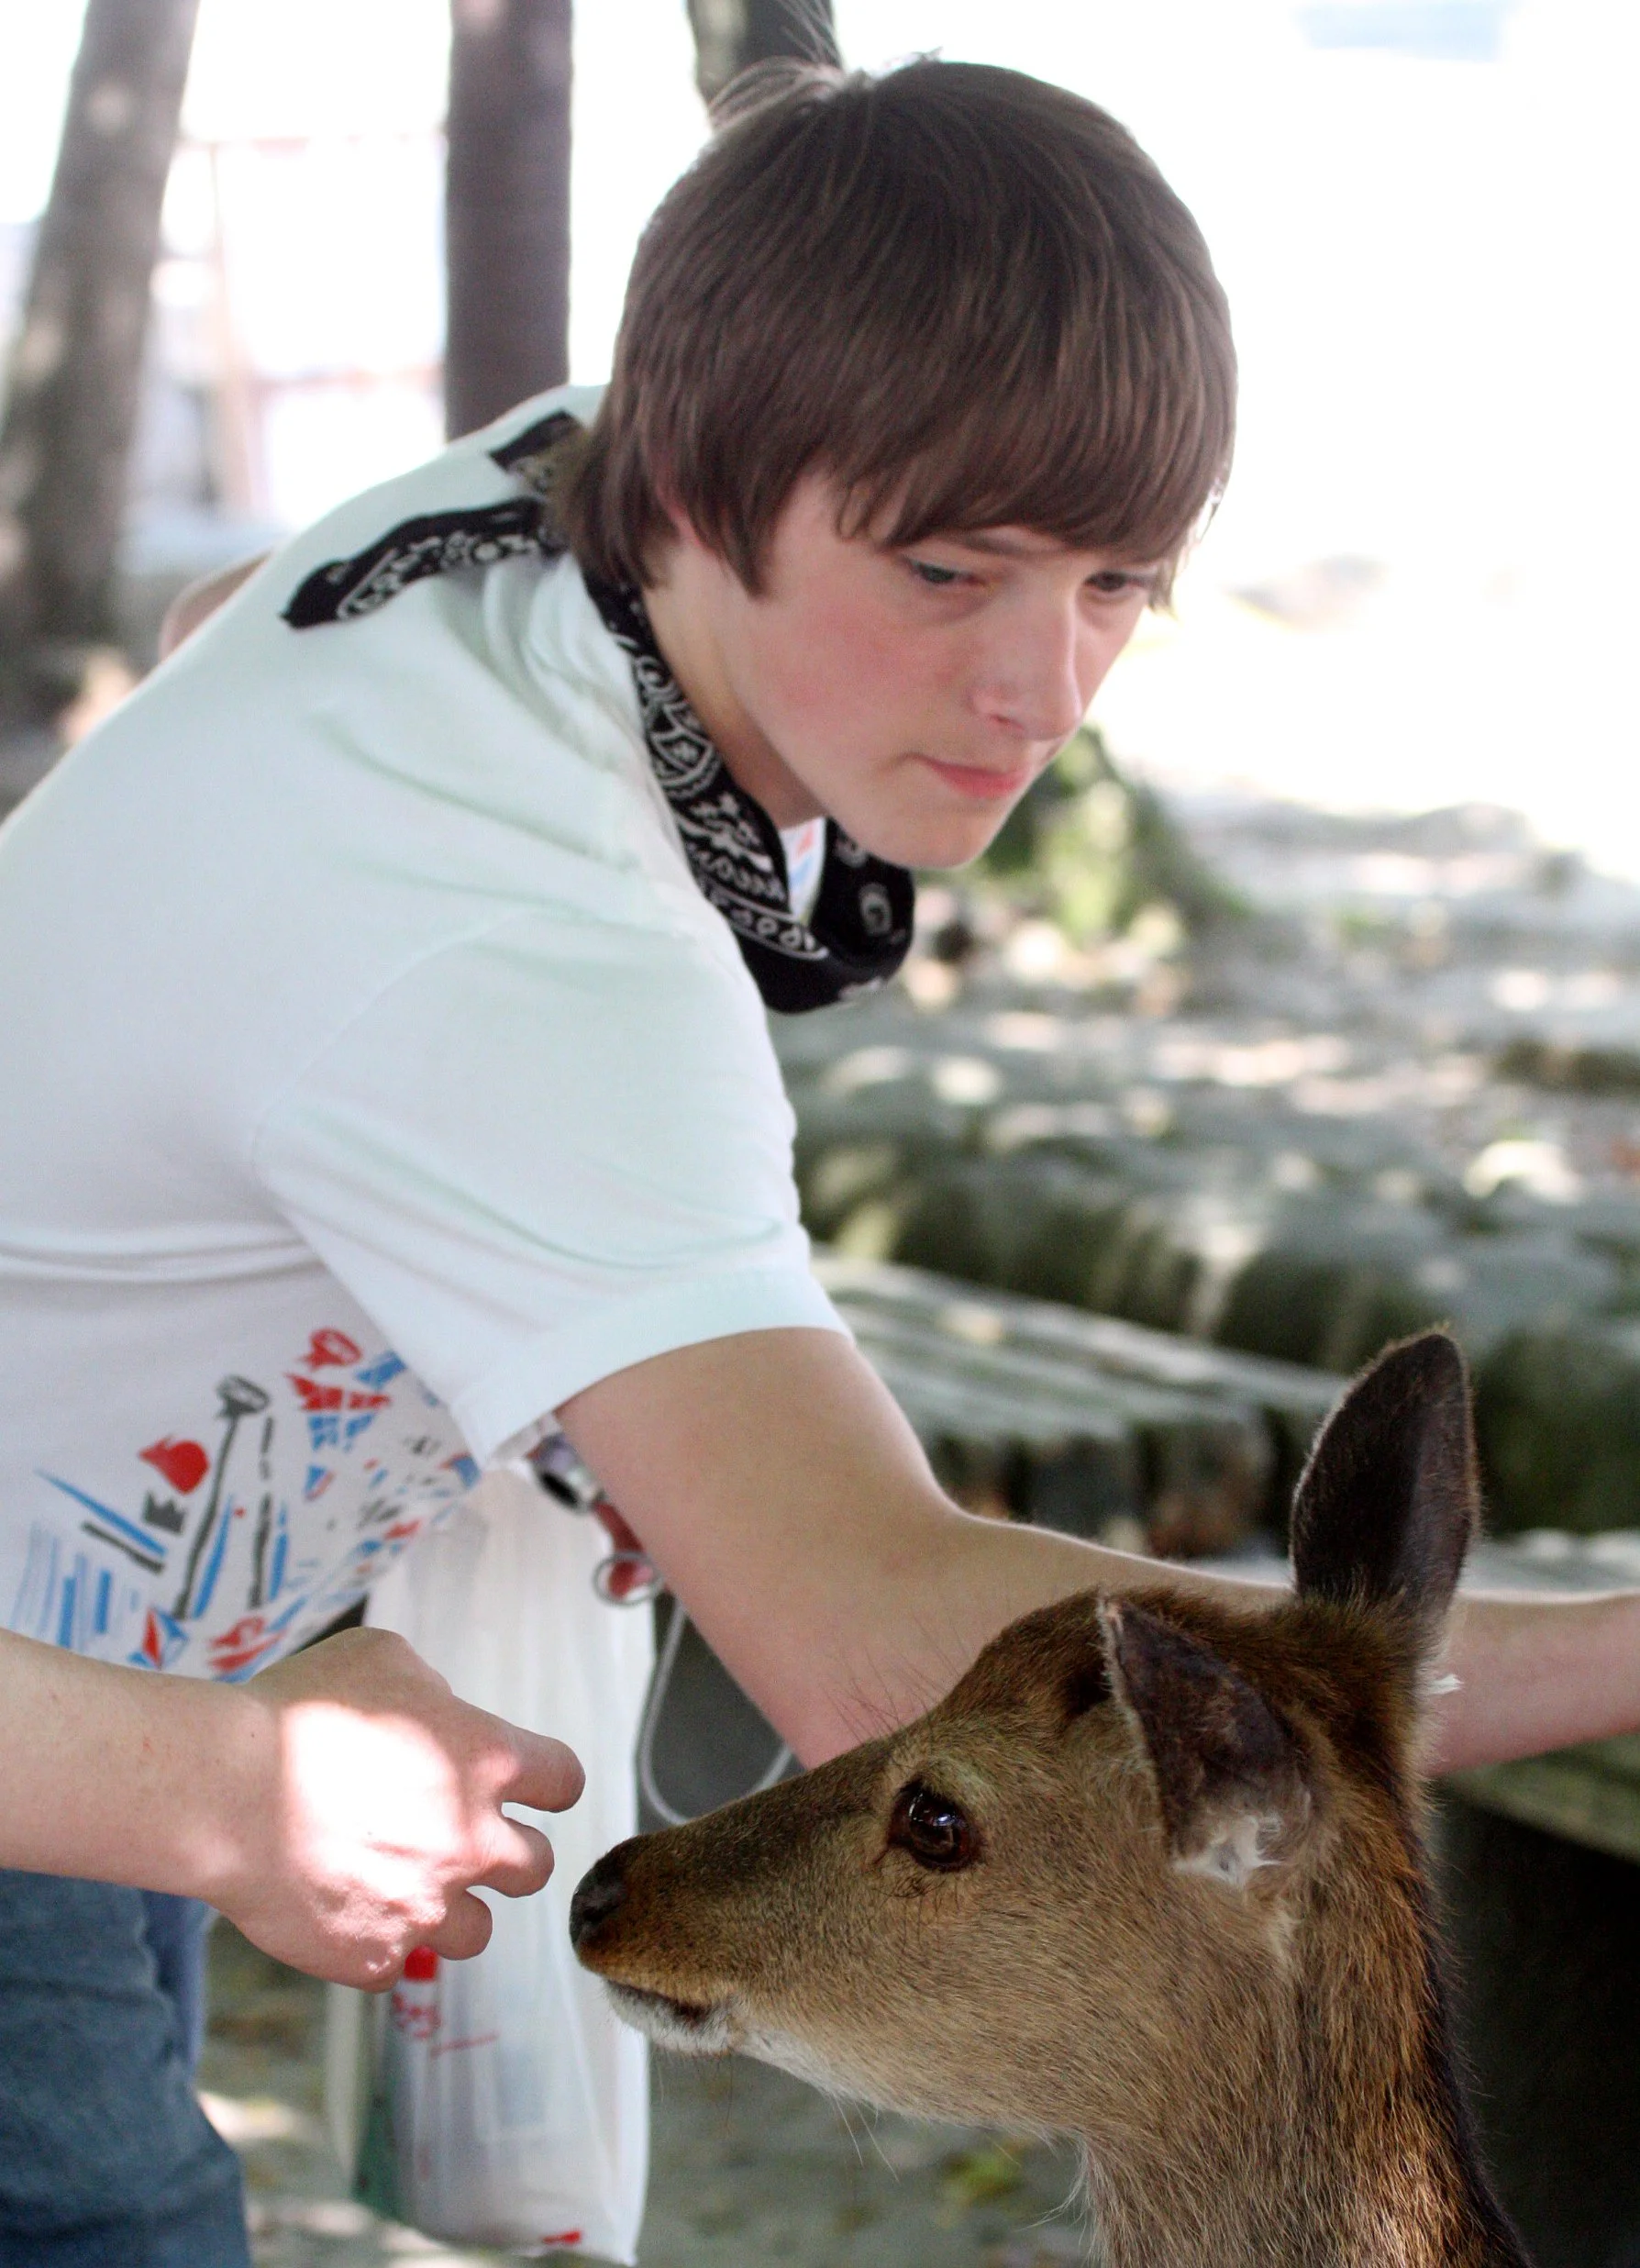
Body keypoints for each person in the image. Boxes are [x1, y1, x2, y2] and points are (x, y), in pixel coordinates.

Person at [2, 53, 1635, 2263]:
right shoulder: (536, 945)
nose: (1037, 688)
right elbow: (883, 1661)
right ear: (695, 481)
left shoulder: (534, 505)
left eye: (1116, 583)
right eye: (948, 571)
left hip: (117, 1641)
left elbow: (218, 643)